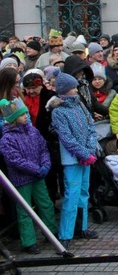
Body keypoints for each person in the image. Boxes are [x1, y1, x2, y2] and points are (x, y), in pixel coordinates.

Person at [0, 98, 57, 254]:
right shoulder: (7, 139)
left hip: (38, 176)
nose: (26, 116)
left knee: (45, 203)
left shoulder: (33, 131)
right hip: (22, 180)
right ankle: (29, 241)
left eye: (26, 112)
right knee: (25, 210)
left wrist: (45, 165)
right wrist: (35, 169)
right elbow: (14, 159)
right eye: (22, 114)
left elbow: (43, 149)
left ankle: (50, 231)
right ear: (12, 119)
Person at [49, 72, 98, 250]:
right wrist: (84, 153)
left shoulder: (80, 106)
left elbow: (92, 127)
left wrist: (90, 150)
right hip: (72, 160)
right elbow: (67, 138)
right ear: (64, 90)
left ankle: (81, 227)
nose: (76, 90)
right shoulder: (58, 112)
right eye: (73, 88)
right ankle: (65, 234)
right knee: (71, 196)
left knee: (83, 193)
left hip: (86, 157)